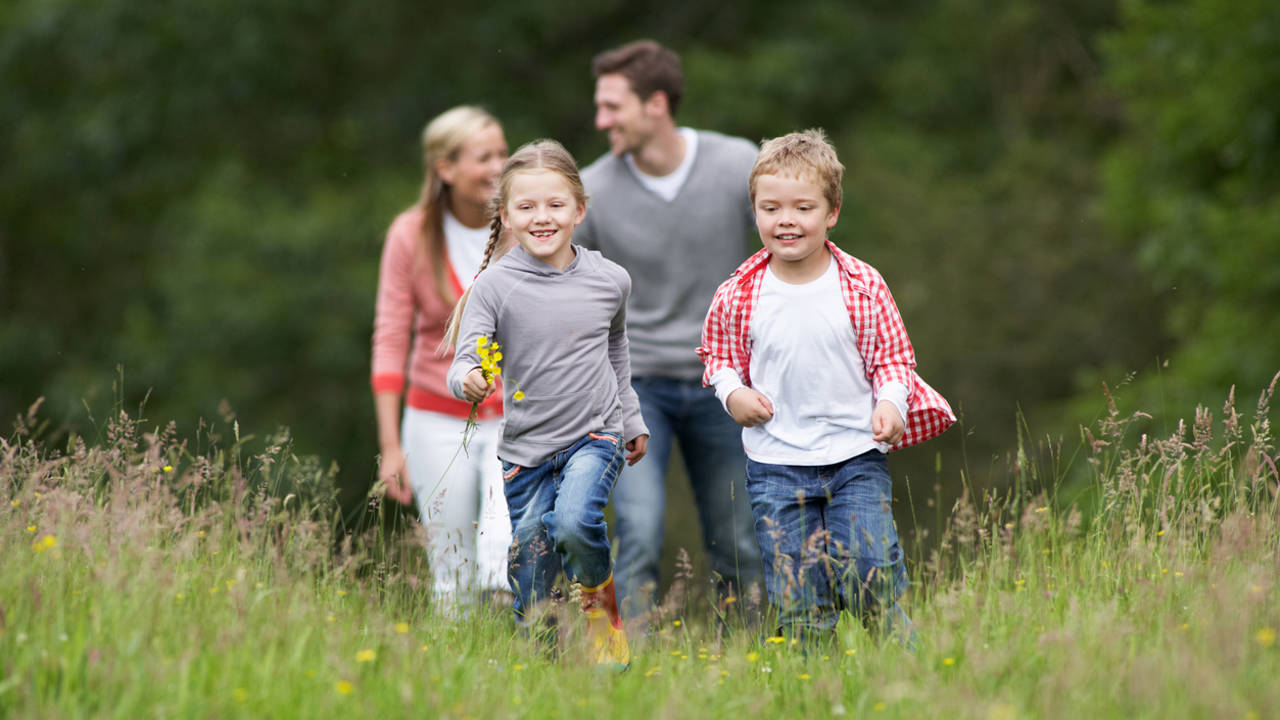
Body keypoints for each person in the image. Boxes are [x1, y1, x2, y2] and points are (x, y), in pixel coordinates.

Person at [697, 129, 955, 642]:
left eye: (802, 208)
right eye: (770, 208)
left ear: (832, 212)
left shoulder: (861, 284)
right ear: (755, 213)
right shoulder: (739, 293)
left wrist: (890, 402)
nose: (785, 220)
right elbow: (718, 357)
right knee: (799, 599)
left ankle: (917, 672)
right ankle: (814, 693)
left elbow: (893, 359)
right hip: (775, 463)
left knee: (867, 573)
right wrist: (733, 394)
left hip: (855, 454)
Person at [576, 39, 763, 619]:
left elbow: (787, 253)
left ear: (656, 104)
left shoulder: (738, 167)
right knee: (637, 530)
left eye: (613, 106)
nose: (600, 119)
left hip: (724, 383)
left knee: (740, 539)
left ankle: (761, 662)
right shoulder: (593, 192)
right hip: (635, 390)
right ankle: (626, 680)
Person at [446, 139, 649, 669]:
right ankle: (539, 667)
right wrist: (469, 377)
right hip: (525, 452)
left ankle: (604, 621)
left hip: (595, 435)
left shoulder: (611, 280)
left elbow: (616, 349)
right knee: (531, 564)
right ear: (507, 216)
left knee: (576, 522)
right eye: (527, 207)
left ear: (579, 209)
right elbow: (464, 360)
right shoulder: (494, 287)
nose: (543, 217)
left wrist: (630, 417)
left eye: (556, 205)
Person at [370, 106, 513, 615]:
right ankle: (454, 678)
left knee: (503, 559)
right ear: (445, 168)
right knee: (453, 570)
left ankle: (516, 667)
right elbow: (390, 337)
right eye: (484, 157)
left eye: (503, 153)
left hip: (514, 420)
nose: (498, 166)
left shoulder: (525, 227)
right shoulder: (412, 234)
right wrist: (391, 445)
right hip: (433, 420)